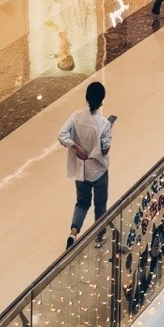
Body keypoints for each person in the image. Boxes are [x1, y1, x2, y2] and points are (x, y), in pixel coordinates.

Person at [59, 80, 114, 248]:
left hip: (81, 171)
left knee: (82, 203)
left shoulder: (76, 116)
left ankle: (73, 233)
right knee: (100, 205)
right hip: (98, 171)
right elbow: (105, 151)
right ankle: (99, 237)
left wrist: (75, 146)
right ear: (101, 100)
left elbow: (61, 134)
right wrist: (111, 130)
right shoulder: (104, 124)